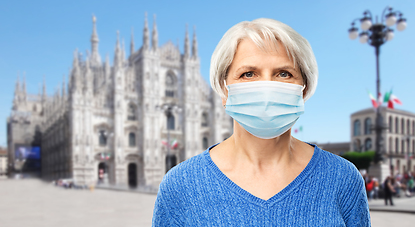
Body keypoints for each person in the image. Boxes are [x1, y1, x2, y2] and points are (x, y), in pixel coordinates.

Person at [152, 18, 370, 226]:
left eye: (284, 74)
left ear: (304, 88)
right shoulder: (180, 185)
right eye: (248, 74)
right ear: (223, 90)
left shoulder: (343, 179)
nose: (266, 87)